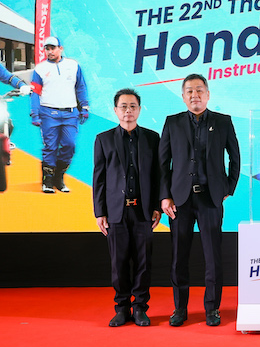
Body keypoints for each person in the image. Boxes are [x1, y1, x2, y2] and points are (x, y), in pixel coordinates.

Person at [159, 73, 240, 327]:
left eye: (199, 90)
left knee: (213, 256)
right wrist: (165, 196)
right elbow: (163, 163)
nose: (195, 95)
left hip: (210, 199)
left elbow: (235, 157)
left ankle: (212, 308)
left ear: (208, 94)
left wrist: (228, 187)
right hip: (180, 201)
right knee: (178, 256)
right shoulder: (172, 122)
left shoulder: (223, 121)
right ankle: (180, 308)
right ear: (183, 96)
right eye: (189, 91)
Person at [92, 88, 161, 327]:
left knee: (143, 262)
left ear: (139, 110)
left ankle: (140, 308)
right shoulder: (103, 139)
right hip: (115, 212)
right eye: (123, 106)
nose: (128, 110)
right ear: (115, 110)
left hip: (143, 211)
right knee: (118, 262)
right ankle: (121, 308)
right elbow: (99, 178)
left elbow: (158, 175)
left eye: (132, 106)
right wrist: (100, 212)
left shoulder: (152, 138)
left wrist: (156, 206)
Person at [30, 36, 89, 193]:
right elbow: (35, 93)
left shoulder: (73, 65)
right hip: (48, 113)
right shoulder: (40, 69)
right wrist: (34, 114)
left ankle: (59, 176)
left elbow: (80, 87)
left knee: (70, 144)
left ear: (60, 49)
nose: (50, 51)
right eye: (47, 49)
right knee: (50, 146)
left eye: (53, 48)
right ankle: (47, 180)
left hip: (70, 113)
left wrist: (84, 106)